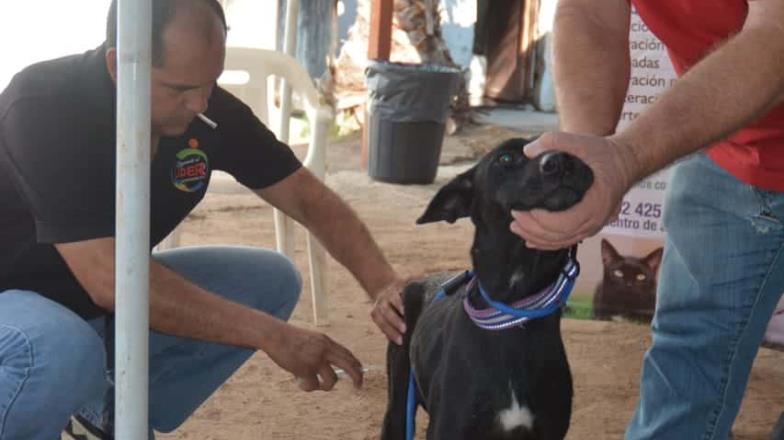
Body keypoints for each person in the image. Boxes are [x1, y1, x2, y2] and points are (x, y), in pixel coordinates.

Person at [0, 0, 408, 438]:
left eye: (211, 81)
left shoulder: (208, 109)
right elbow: (110, 278)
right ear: (121, 66)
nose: (199, 102)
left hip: (90, 306)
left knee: (269, 281)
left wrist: (384, 284)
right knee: (58, 348)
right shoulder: (44, 104)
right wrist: (271, 335)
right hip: (15, 299)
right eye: (180, 88)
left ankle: (104, 408)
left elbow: (310, 199)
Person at [509, 0, 784, 438]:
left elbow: (777, 38)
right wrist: (582, 166)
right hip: (732, 150)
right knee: (687, 360)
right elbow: (590, 15)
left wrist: (626, 156)